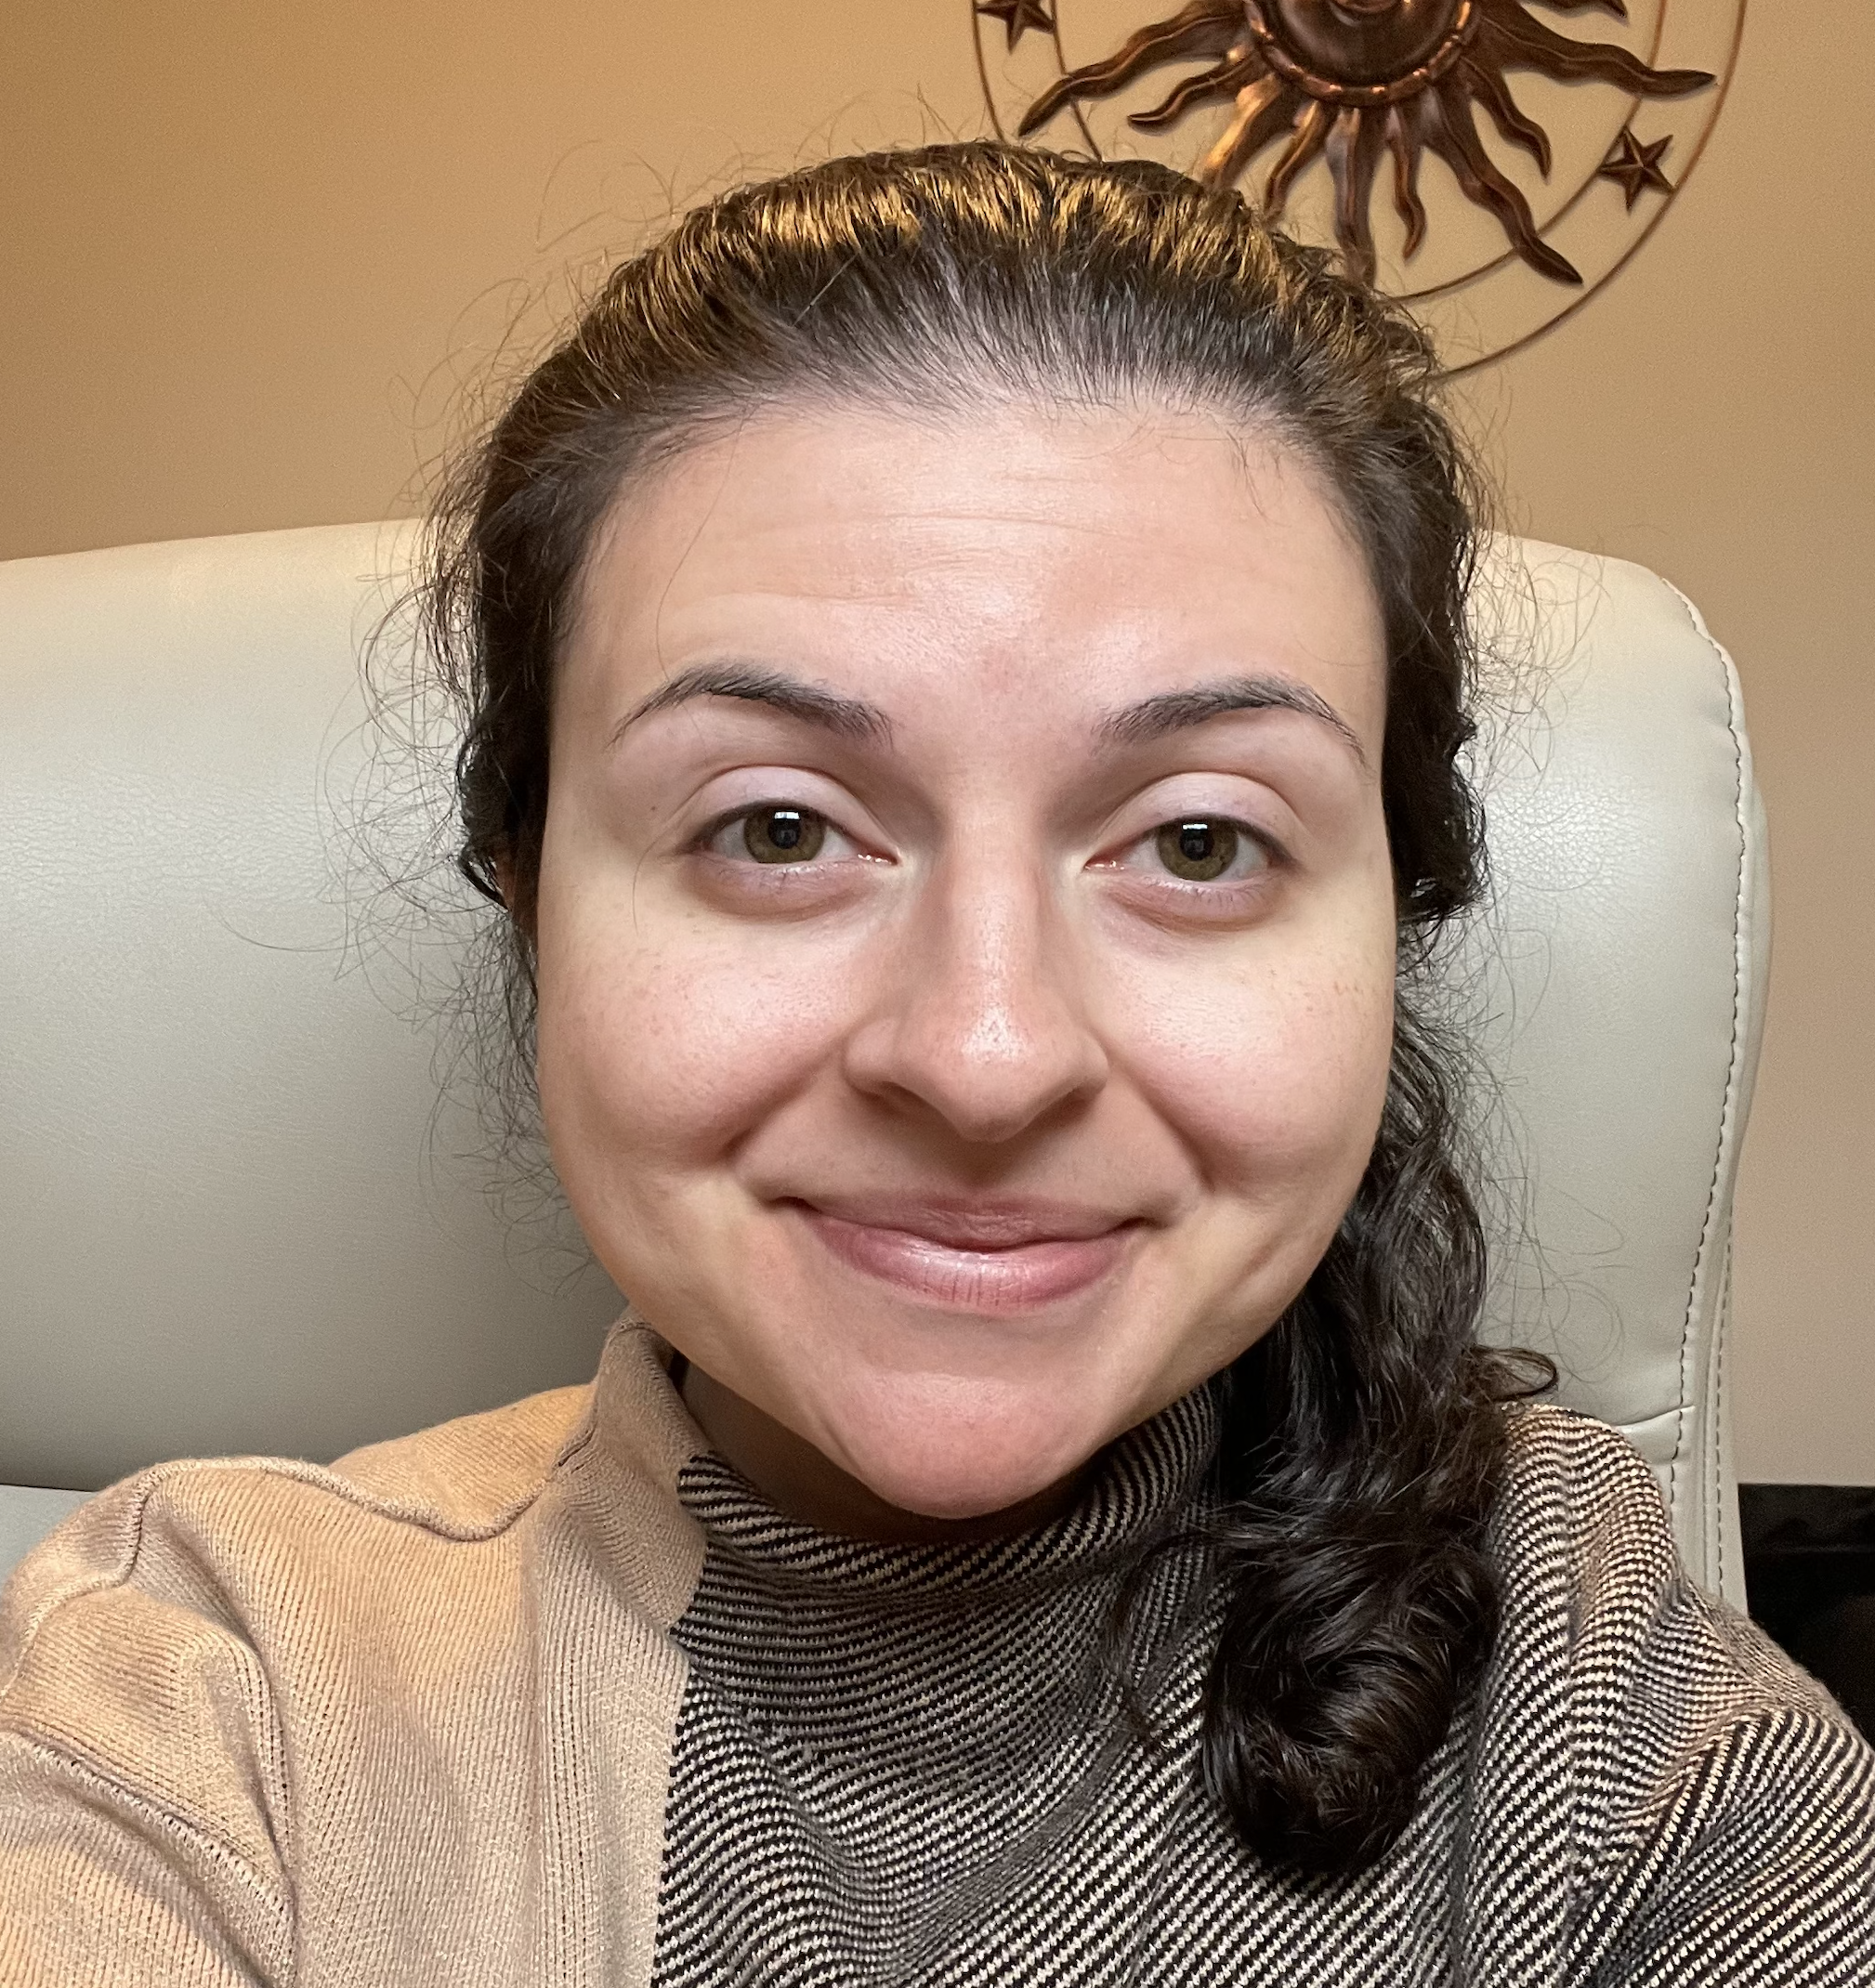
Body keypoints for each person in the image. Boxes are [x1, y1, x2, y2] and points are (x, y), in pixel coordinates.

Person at [1, 143, 1869, 1985]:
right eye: (780, 828)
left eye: (1198, 840)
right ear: (530, 891)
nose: (984, 1056)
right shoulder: (216, 1685)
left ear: (1394, 920)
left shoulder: (1593, 1697)